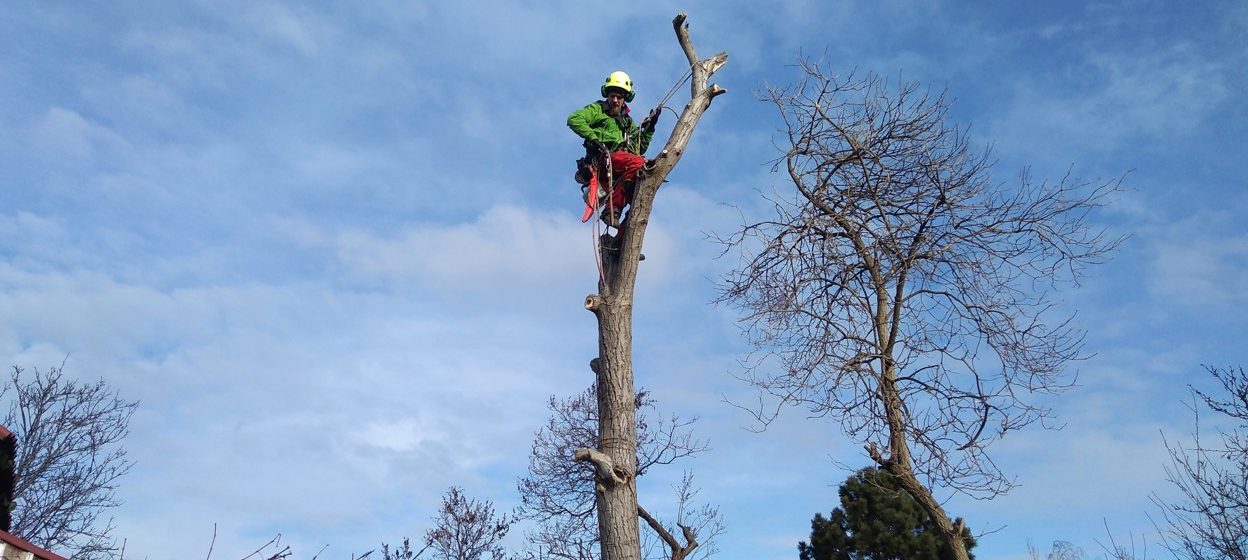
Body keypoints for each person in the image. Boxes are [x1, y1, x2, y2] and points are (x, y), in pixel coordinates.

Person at [568, 70, 659, 227]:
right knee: (639, 164)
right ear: (607, 96)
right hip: (603, 160)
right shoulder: (598, 109)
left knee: (638, 200)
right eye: (612, 96)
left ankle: (617, 243)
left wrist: (650, 128)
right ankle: (612, 210)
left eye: (619, 97)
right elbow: (574, 119)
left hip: (620, 168)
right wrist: (594, 139)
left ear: (625, 100)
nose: (615, 100)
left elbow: (639, 148)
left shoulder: (627, 123)